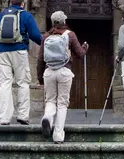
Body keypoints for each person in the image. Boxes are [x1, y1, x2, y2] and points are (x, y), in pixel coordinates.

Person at [0, 0, 42, 125]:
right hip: (19, 51)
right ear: (22, 4)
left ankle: (4, 118)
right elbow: (35, 35)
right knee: (23, 82)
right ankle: (23, 115)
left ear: (10, 3)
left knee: (5, 83)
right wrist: (46, 43)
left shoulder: (0, 16)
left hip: (2, 52)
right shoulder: (26, 15)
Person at [36, 10, 89, 143]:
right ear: (64, 21)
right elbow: (80, 54)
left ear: (53, 22)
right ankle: (58, 135)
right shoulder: (70, 35)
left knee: (50, 101)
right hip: (64, 71)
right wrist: (85, 47)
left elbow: (40, 59)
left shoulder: (46, 36)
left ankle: (47, 118)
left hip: (49, 72)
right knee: (62, 104)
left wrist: (40, 78)